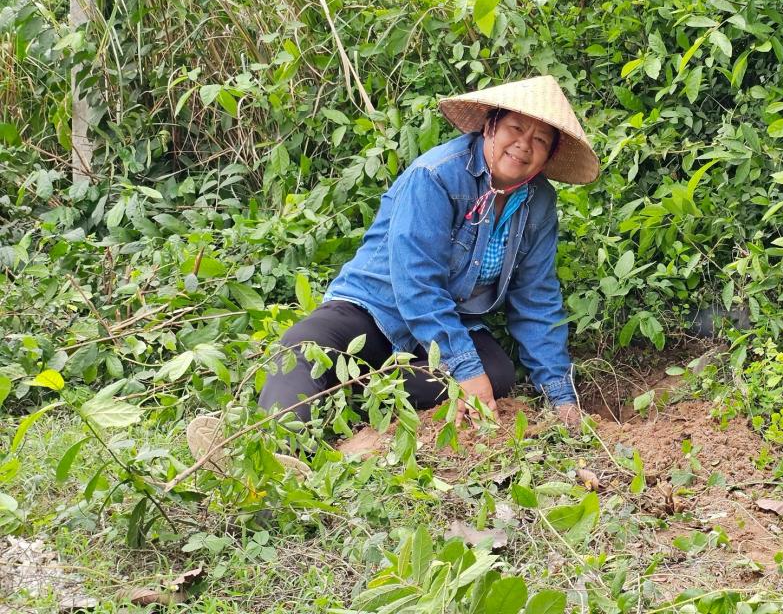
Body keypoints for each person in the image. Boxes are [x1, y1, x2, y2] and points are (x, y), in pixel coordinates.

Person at [187, 75, 598, 469]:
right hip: (374, 307)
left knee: (498, 373)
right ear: (490, 127)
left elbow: (536, 298)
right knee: (301, 348)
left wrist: (561, 397)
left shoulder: (537, 202)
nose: (523, 146)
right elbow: (417, 285)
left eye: (540, 140)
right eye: (515, 128)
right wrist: (465, 371)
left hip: (446, 329)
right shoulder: (435, 175)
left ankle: (349, 395)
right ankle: (269, 450)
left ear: (549, 156)